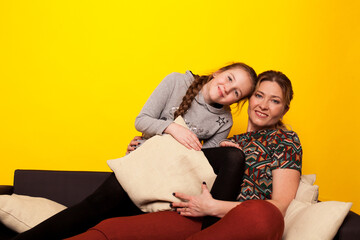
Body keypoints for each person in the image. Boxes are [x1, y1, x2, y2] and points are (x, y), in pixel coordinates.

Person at [14, 63, 257, 240]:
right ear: (218, 72)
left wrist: (223, 150)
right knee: (90, 210)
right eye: (229, 78)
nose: (228, 89)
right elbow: (142, 120)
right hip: (143, 166)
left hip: (168, 180)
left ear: (237, 102)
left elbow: (200, 163)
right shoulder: (177, 81)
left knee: (233, 156)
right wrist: (171, 128)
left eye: (237, 92)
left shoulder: (223, 121)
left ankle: (208, 234)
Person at [65, 70, 302, 240]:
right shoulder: (229, 140)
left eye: (275, 101)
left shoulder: (285, 140)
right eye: (259, 96)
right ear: (248, 99)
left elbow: (279, 207)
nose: (263, 105)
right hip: (189, 210)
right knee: (109, 229)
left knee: (265, 215)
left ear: (284, 109)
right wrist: (146, 150)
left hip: (234, 219)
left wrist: (213, 207)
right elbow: (187, 166)